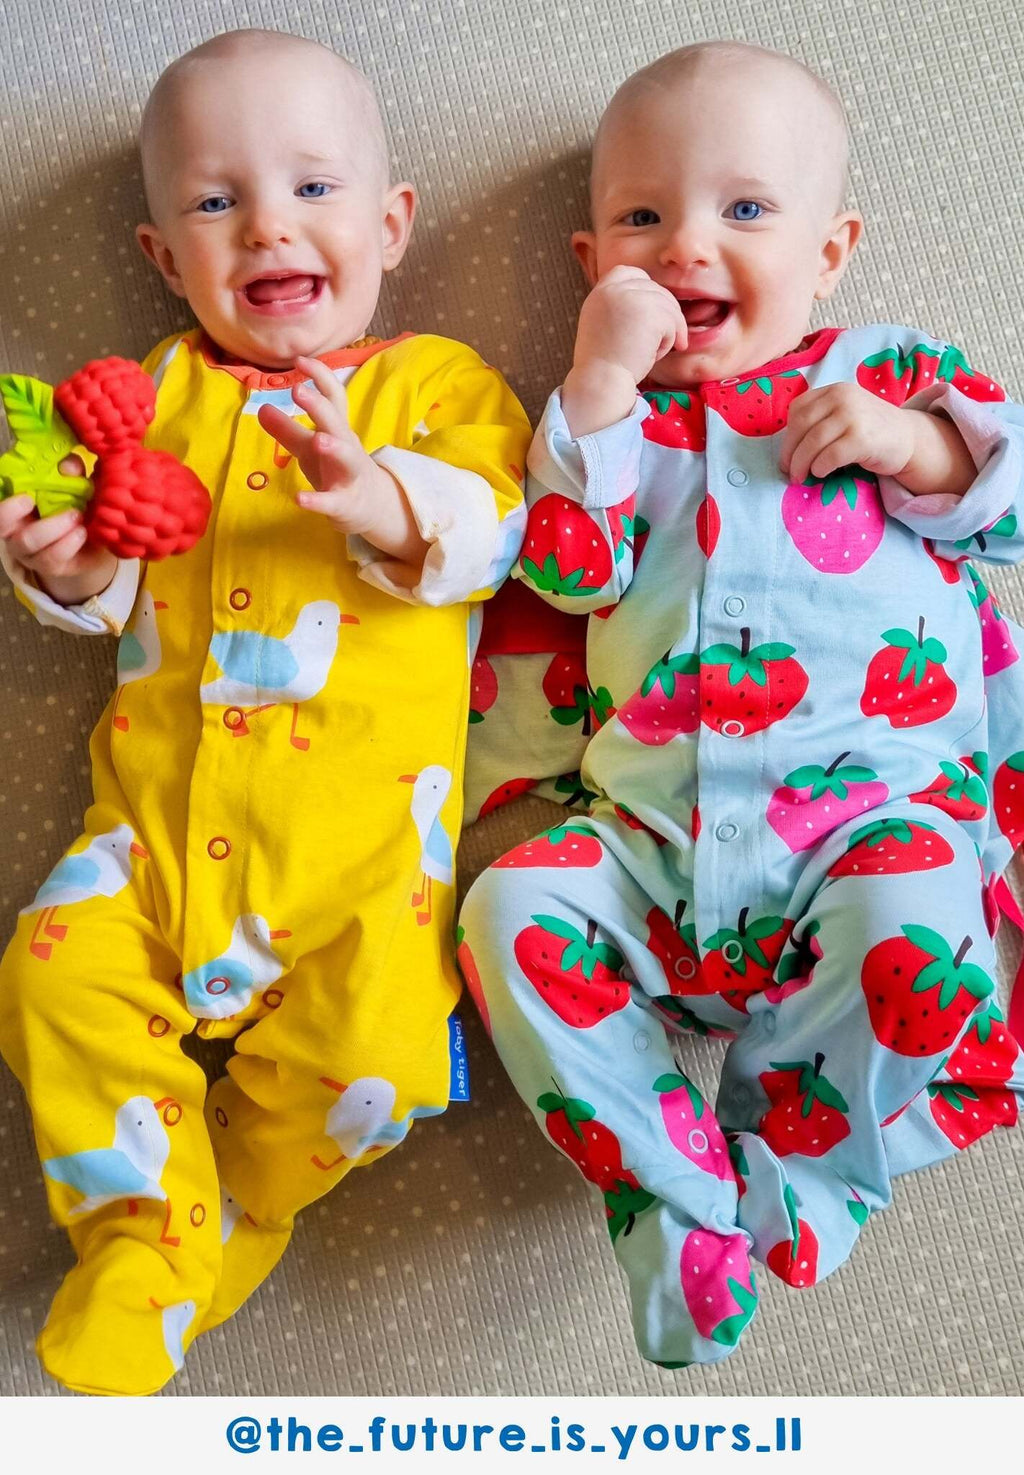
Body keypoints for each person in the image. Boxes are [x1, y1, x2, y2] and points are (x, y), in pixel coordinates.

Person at [458, 40, 1024, 1368]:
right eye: (645, 220)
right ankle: (668, 1195)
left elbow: (1005, 495)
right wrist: (596, 385)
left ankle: (793, 1180)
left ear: (834, 251)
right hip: (650, 851)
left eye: (746, 210)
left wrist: (914, 447)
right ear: (593, 265)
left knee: (917, 932)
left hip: (866, 825)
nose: (691, 246)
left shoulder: (887, 380)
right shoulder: (615, 434)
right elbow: (560, 567)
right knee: (510, 912)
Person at [0, 28, 529, 1395]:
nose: (267, 227)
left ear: (392, 223)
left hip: (359, 875)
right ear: (165, 259)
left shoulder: (439, 387)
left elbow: (493, 534)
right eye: (216, 202)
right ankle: (144, 1226)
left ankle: (218, 1208)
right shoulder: (155, 404)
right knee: (51, 972)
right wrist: (72, 563)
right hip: (151, 848)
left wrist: (383, 496)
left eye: (311, 188)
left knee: (383, 1066)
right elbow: (112, 591)